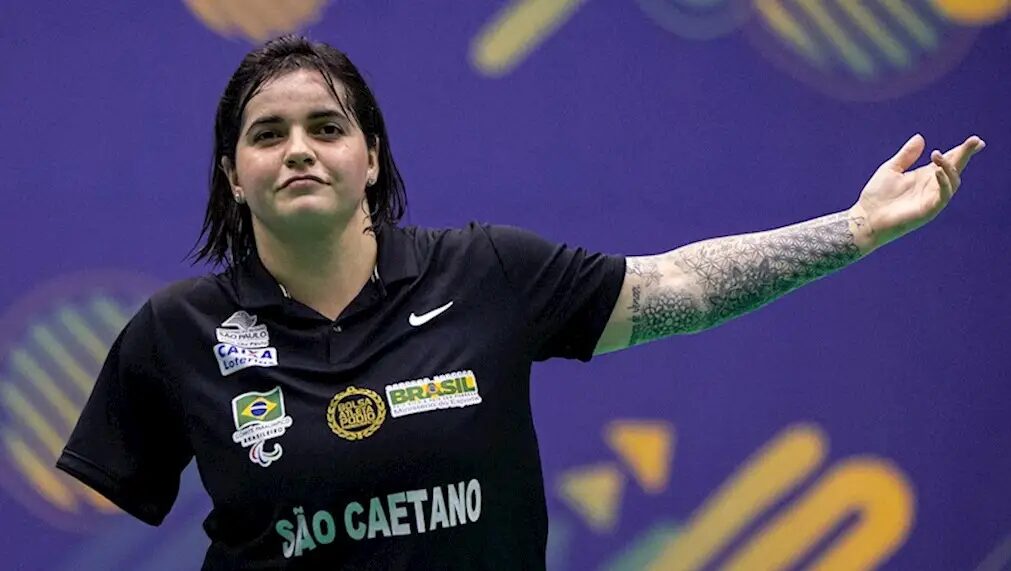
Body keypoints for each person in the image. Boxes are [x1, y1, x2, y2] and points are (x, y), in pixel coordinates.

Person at [55, 34, 985, 570]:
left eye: (325, 127)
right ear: (233, 174)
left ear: (369, 159)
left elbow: (684, 285)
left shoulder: (485, 272)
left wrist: (852, 229)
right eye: (267, 134)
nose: (298, 148)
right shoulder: (177, 332)